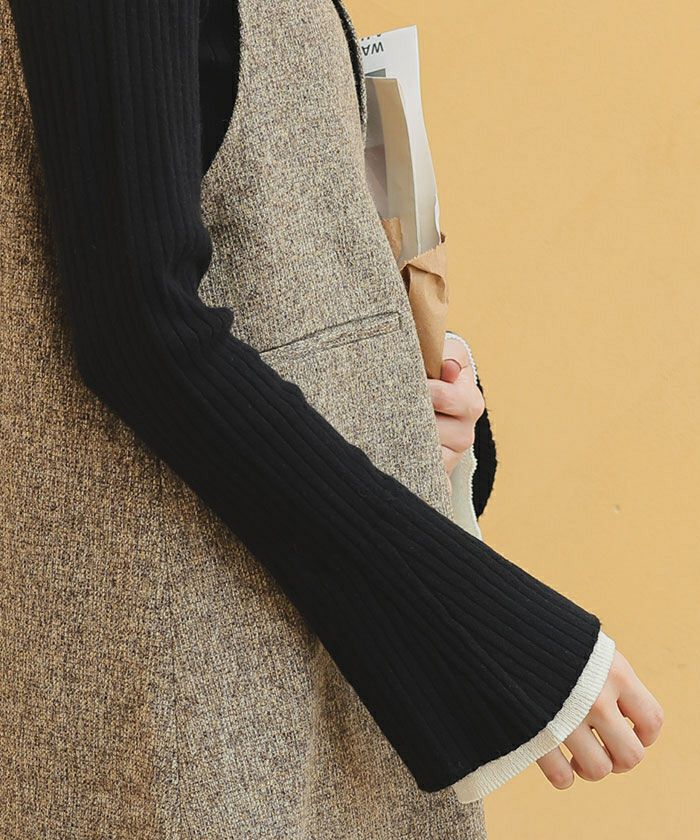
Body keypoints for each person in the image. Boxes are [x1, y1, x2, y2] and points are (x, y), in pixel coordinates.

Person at [1, 0, 663, 837]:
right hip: (196, 687)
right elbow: (140, 330)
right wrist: (473, 618)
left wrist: (408, 397)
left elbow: (265, 256)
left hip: (292, 663)